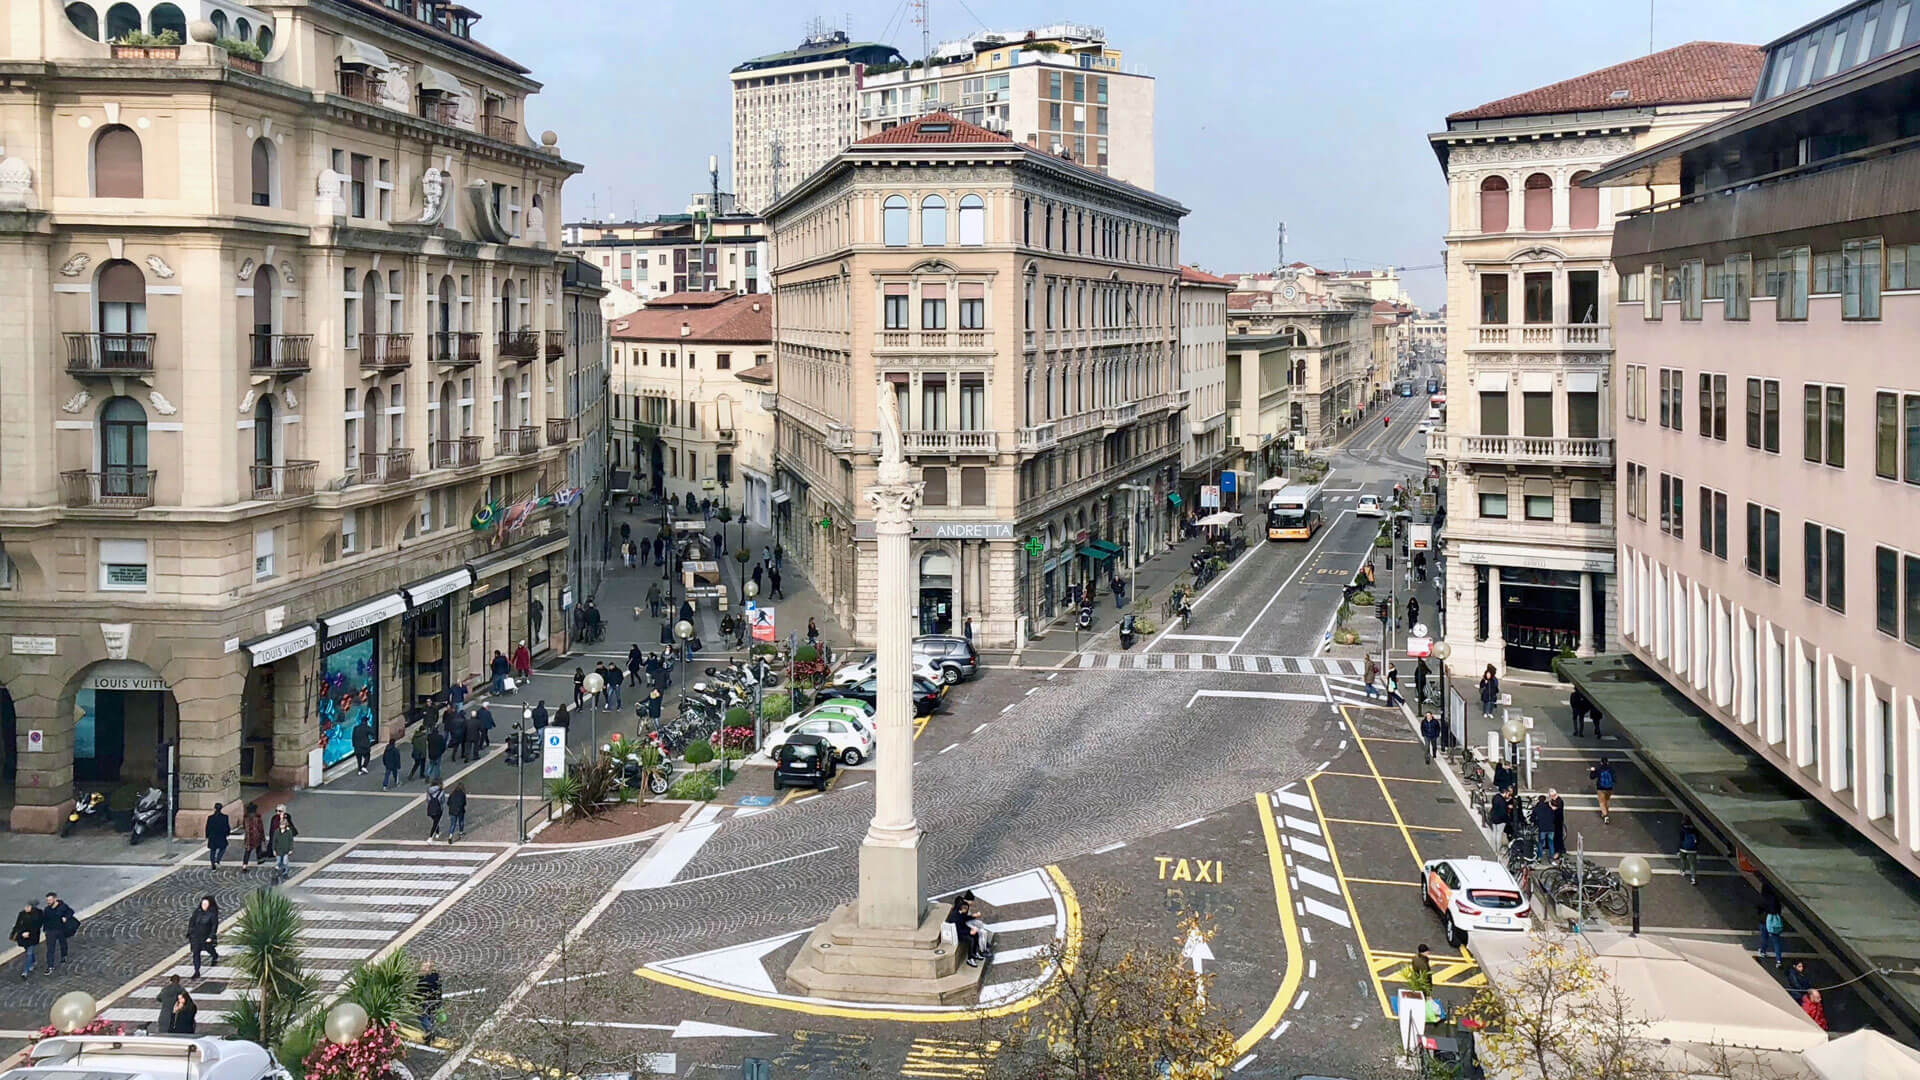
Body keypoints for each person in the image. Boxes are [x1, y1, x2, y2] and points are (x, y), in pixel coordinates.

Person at [42, 893, 76, 973]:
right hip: (50, 931)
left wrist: (66, 917)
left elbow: (71, 912)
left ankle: (64, 955)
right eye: (47, 900)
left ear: (55, 899)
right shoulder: (47, 909)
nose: (48, 902)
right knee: (50, 949)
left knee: (63, 943)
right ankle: (50, 966)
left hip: (61, 929)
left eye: (50, 900)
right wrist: (45, 930)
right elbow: (44, 920)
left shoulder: (62, 906)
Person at [187, 895, 220, 978]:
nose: (204, 906)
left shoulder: (212, 914)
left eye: (206, 904)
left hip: (206, 937)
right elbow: (192, 922)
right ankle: (197, 971)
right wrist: (190, 933)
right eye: (202, 904)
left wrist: (211, 936)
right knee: (196, 953)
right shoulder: (197, 912)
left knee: (209, 949)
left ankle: (214, 956)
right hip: (196, 937)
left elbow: (214, 926)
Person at [12, 900, 41, 978]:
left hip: (32, 937)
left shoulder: (37, 915)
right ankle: (33, 961)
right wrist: (14, 934)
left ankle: (25, 971)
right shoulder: (22, 914)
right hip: (23, 937)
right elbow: (17, 924)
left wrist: (30, 933)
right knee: (28, 951)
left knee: (29, 953)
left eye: (28, 907)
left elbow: (37, 927)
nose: (26, 908)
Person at [1758, 884, 1786, 967]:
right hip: (1774, 923)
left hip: (1764, 921)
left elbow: (1759, 908)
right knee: (1776, 942)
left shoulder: (1764, 899)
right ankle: (1778, 960)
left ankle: (1763, 951)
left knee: (1764, 937)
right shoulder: (1776, 900)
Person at [417, 961, 444, 1042]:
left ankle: (430, 1031)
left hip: (428, 1002)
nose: (421, 967)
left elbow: (420, 991)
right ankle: (430, 1035)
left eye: (424, 966)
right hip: (436, 1001)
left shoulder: (425, 979)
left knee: (422, 1016)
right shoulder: (436, 975)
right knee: (430, 1017)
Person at [269, 806, 297, 881]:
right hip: (278, 849)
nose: (278, 812)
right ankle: (279, 871)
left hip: (285, 849)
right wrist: (273, 849)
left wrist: (291, 849)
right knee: (278, 861)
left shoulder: (288, 829)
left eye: (280, 811)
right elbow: (274, 839)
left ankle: (285, 873)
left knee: (285, 861)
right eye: (277, 811)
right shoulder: (275, 822)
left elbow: (291, 839)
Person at [1589, 755, 1616, 824]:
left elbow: (1592, 777)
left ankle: (1605, 816)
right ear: (1607, 762)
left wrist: (1592, 771)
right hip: (1609, 788)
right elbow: (1614, 779)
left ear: (1601, 762)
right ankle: (1605, 812)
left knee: (1601, 802)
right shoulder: (1611, 769)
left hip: (1601, 788)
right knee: (1607, 801)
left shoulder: (1599, 769)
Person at [241, 803, 266, 872]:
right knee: (258, 847)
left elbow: (244, 826)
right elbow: (261, 828)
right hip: (256, 835)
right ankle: (259, 859)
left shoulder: (246, 818)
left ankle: (244, 865)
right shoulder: (257, 818)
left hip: (248, 836)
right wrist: (263, 837)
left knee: (247, 851)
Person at [205, 802, 231, 869]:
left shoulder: (210, 818)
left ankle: (213, 863)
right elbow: (227, 826)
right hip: (221, 835)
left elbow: (207, 827)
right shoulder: (225, 817)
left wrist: (207, 835)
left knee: (212, 850)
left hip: (213, 836)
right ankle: (218, 860)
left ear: (214, 808)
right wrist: (227, 833)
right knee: (223, 847)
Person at [1678, 817, 1701, 885]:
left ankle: (1683, 870)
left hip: (1683, 848)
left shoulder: (1682, 829)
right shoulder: (1695, 830)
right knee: (1692, 864)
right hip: (1692, 849)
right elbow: (1698, 840)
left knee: (1683, 859)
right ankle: (1693, 878)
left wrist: (1678, 848)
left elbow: (1681, 839)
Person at [1547, 789, 1567, 861]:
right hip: (1556, 821)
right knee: (1557, 836)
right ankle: (1560, 849)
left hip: (1557, 821)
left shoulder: (1559, 801)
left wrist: (1549, 805)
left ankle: (1558, 851)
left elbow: (1554, 808)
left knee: (1557, 836)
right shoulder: (1558, 800)